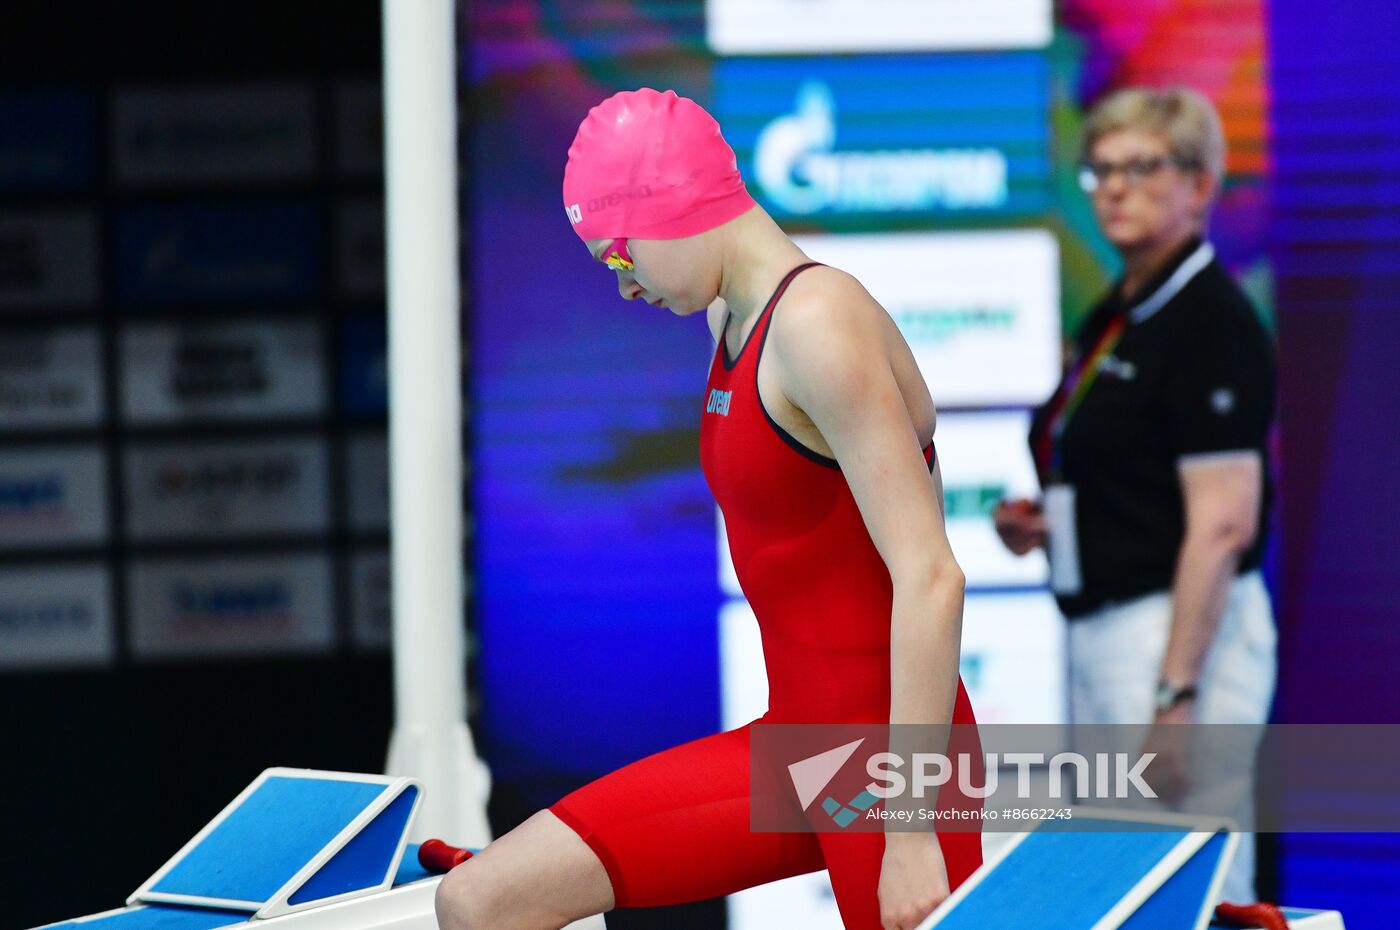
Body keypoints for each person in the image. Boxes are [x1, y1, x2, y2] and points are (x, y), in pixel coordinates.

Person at [436, 88, 981, 930]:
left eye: (621, 256)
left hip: (893, 771)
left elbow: (932, 576)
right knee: (483, 901)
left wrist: (911, 832)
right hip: (800, 755)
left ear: (674, 208)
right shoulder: (732, 314)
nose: (622, 287)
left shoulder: (818, 324)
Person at [993, 86, 1277, 903]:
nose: (1115, 188)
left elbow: (1222, 525)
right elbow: (1136, 474)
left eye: (1141, 167)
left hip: (1180, 632)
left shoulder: (1209, 321)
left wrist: (1175, 696)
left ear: (1200, 184)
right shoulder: (1122, 309)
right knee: (1126, 873)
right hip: (1110, 626)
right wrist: (1049, 522)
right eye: (1101, 171)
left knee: (1198, 874)